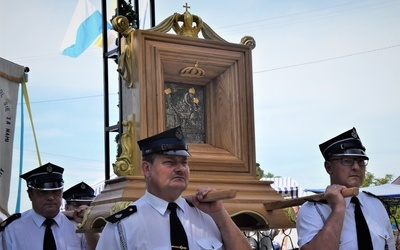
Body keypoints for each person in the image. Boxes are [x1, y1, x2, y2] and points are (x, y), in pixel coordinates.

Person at [96, 126, 251, 250]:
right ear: (146, 169)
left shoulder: (208, 216)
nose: (180, 169)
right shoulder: (123, 226)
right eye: (169, 162)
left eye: (184, 162)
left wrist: (220, 215)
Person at [296, 127, 395, 250]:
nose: (356, 167)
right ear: (329, 167)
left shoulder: (376, 205)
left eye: (361, 161)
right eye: (347, 161)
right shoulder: (312, 210)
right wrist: (338, 209)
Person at [0, 162, 95, 249]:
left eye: (56, 192)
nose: (51, 197)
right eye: (43, 192)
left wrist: (88, 226)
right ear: (30, 195)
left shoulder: (77, 227)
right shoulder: (12, 229)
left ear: (62, 192)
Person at [63, 181, 99, 250]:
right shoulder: (60, 225)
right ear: (67, 207)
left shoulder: (97, 223)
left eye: (89, 205)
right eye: (78, 205)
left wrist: (86, 222)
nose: (84, 209)